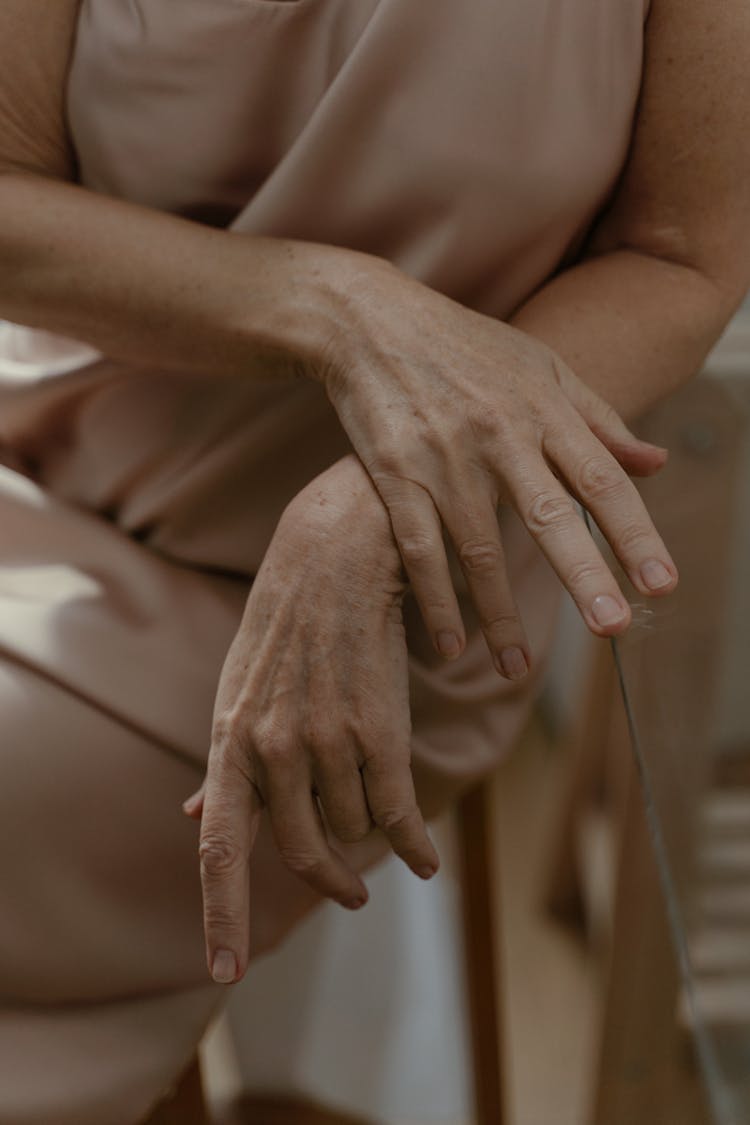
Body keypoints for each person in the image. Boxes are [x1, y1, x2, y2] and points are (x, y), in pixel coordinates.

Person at [0, 1, 747, 1121]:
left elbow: (681, 257)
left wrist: (369, 509)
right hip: (44, 481)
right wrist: (340, 308)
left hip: (413, 592)